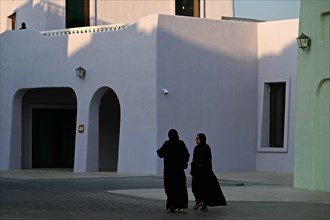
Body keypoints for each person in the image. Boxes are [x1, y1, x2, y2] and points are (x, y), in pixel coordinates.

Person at [190, 133, 227, 212]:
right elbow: (209, 160)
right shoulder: (207, 147)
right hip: (206, 172)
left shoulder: (196, 148)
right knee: (206, 188)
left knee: (196, 187)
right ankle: (204, 205)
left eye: (197, 138)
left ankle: (199, 201)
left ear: (201, 139)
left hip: (198, 172)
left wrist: (193, 172)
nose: (196, 140)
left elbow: (195, 161)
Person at [157, 129, 190, 213]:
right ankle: (178, 204)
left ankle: (172, 204)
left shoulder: (167, 144)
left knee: (170, 188)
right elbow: (187, 154)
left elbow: (160, 154)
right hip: (179, 171)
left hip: (169, 171)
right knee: (179, 187)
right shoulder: (181, 143)